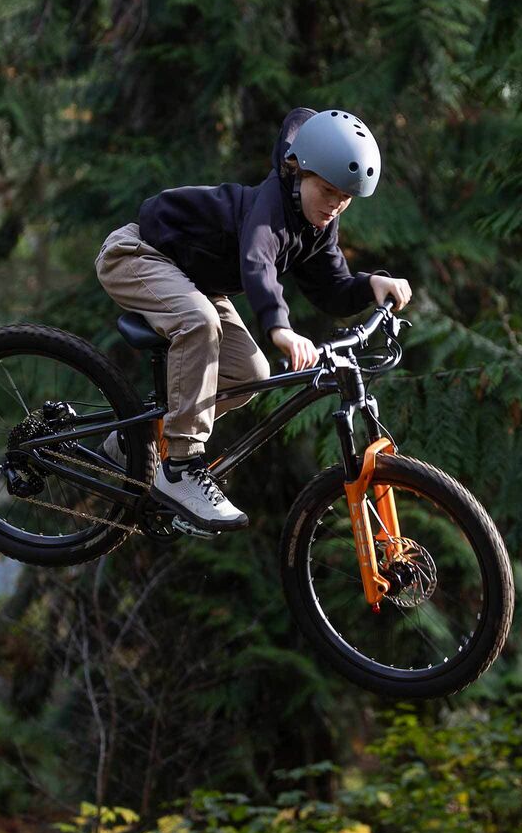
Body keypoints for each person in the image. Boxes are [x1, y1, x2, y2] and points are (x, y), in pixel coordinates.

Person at [93, 107, 414, 531]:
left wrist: (371, 284)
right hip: (137, 255)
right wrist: (279, 327)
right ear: (299, 170)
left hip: (192, 280)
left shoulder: (316, 227)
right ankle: (181, 468)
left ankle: (138, 439)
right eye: (327, 190)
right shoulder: (271, 206)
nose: (335, 204)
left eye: (345, 197)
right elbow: (257, 261)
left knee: (250, 373)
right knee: (199, 322)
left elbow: (331, 288)